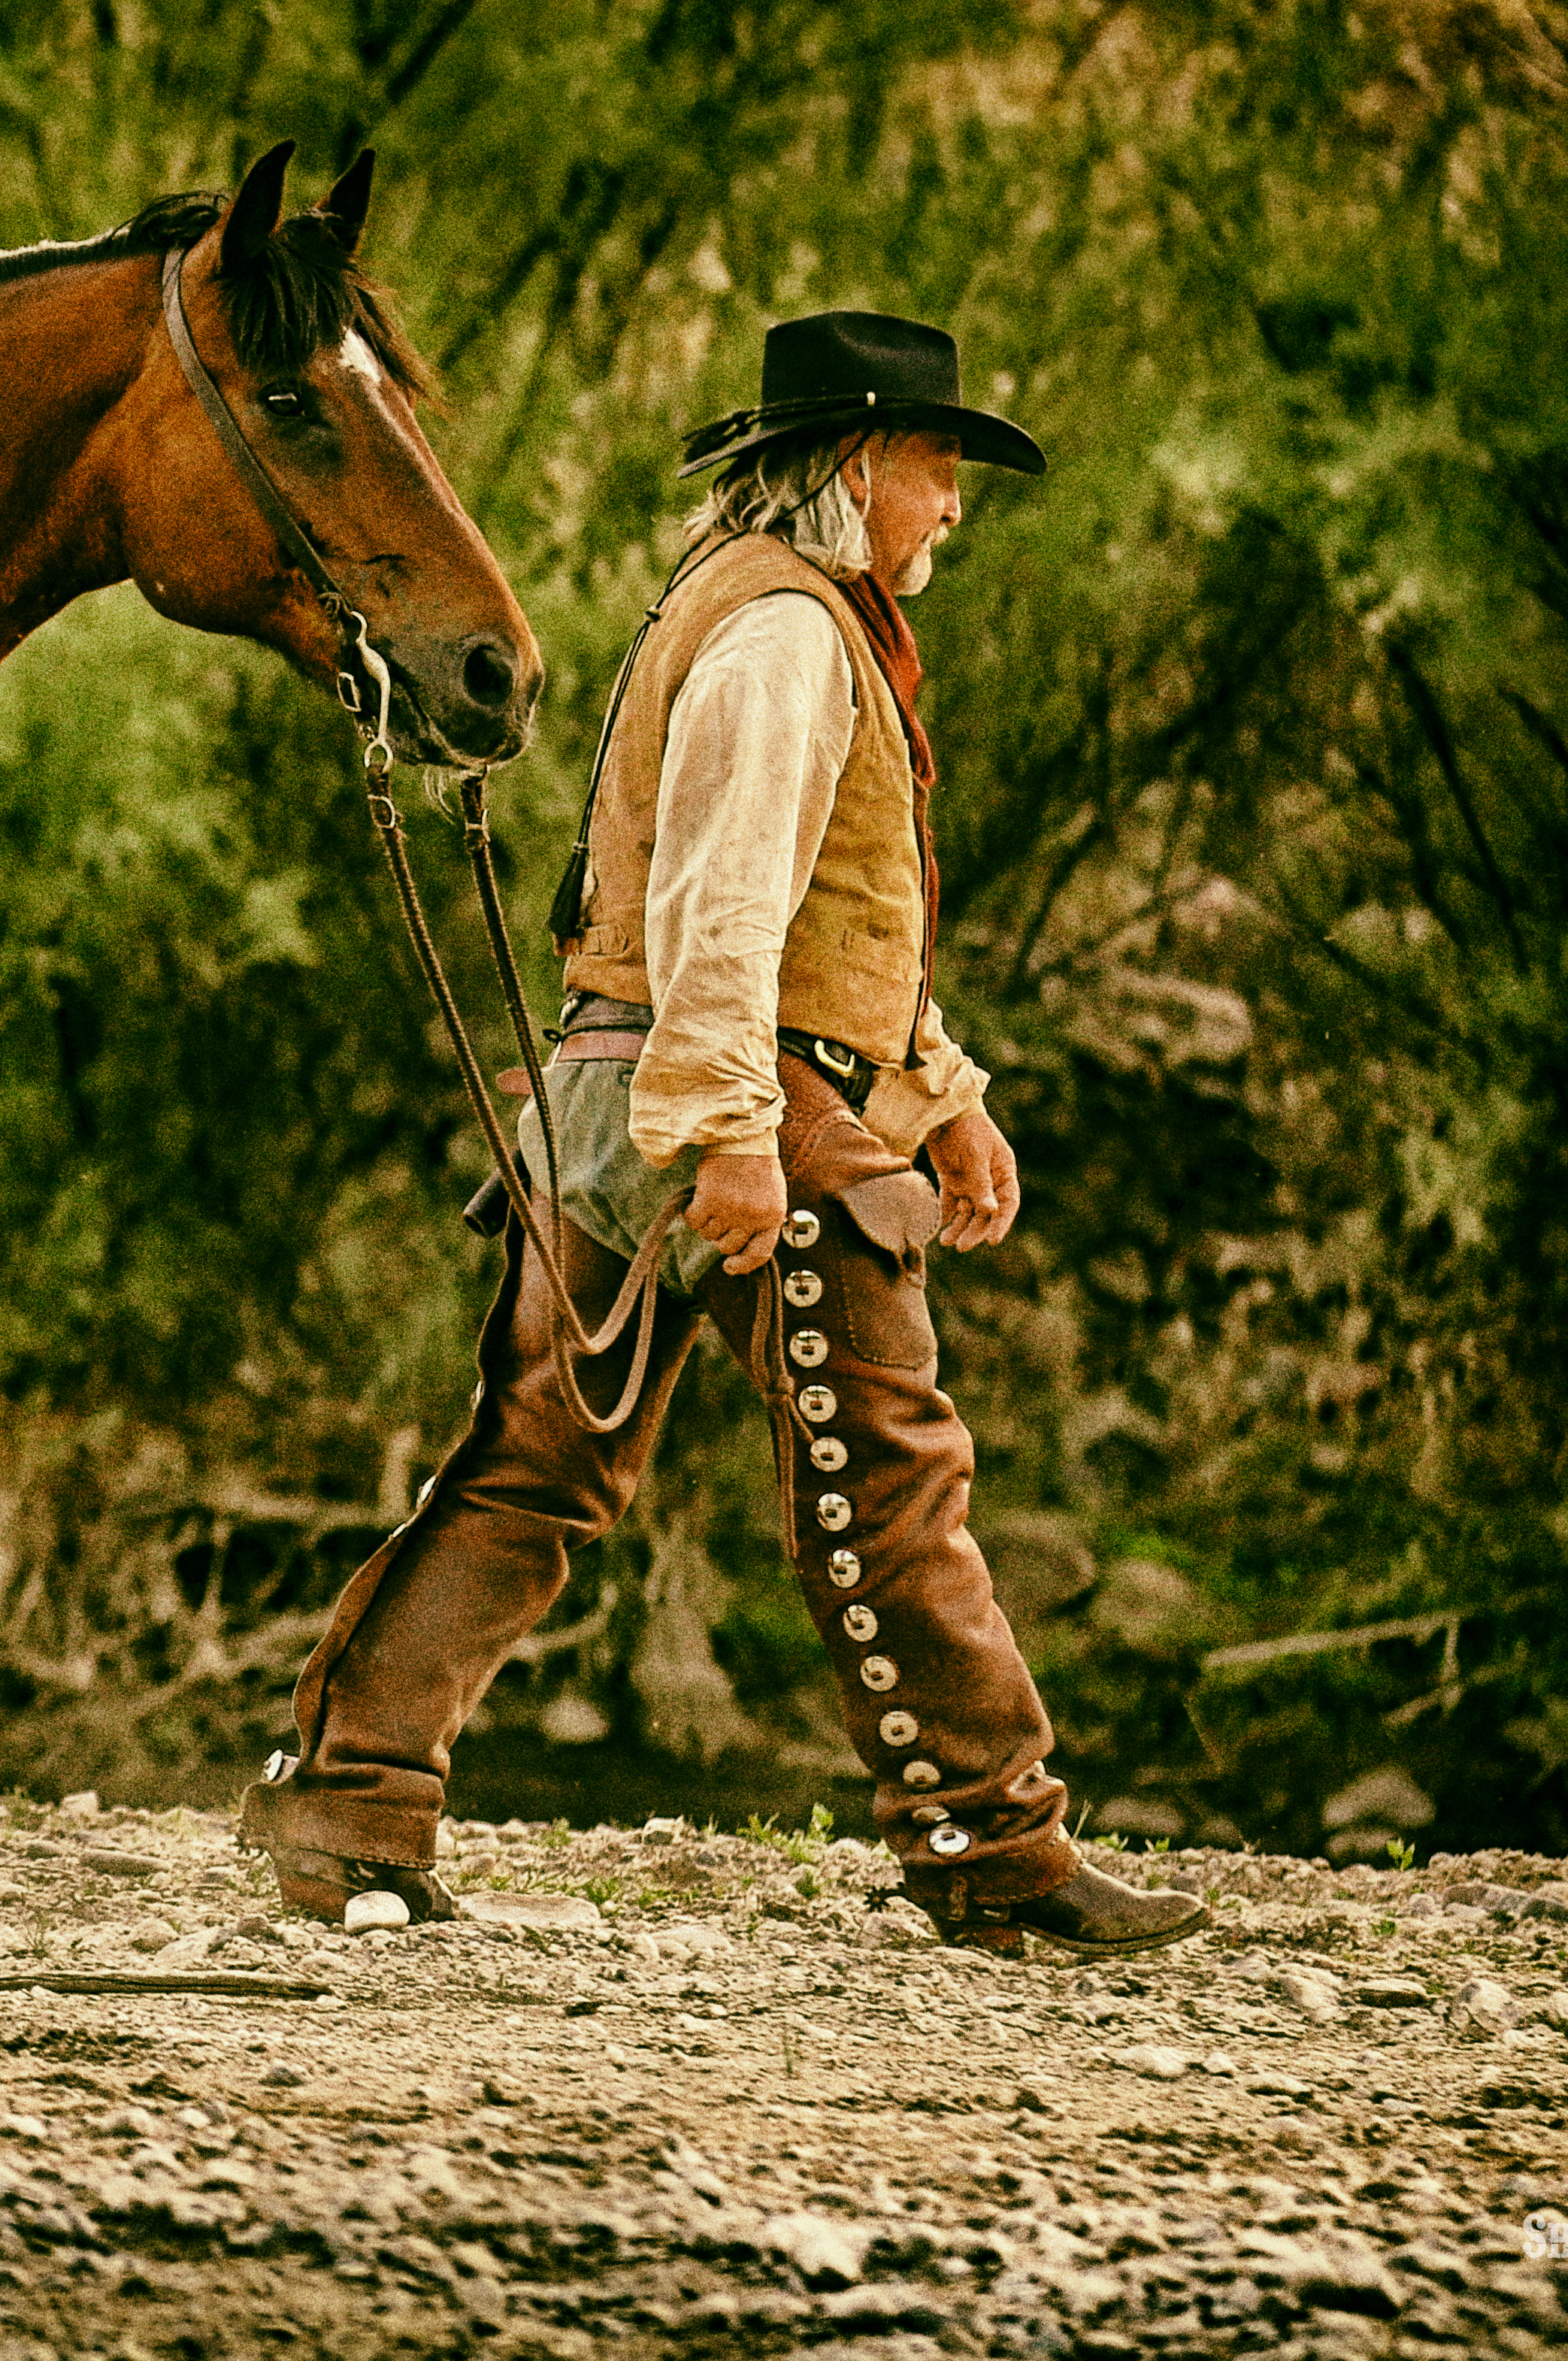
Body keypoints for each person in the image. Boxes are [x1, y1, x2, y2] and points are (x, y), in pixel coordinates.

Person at [239, 310, 1209, 1962]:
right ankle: (991, 1843)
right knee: (887, 1469)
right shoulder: (784, 639)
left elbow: (824, 920)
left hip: (648, 1091)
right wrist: (730, 1134)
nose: (953, 507)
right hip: (730, 1100)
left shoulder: (782, 615)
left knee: (539, 1464)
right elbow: (723, 904)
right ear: (851, 469)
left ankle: (347, 1805)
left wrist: (944, 1094)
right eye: (932, 465)